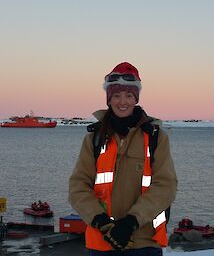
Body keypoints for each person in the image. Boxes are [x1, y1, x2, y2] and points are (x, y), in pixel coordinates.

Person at [69, 62, 177, 256]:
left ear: (136, 98)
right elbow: (78, 186)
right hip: (102, 242)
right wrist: (100, 221)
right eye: (116, 95)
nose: (122, 101)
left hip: (143, 243)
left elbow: (165, 186)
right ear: (109, 99)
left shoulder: (155, 137)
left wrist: (131, 222)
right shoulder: (94, 139)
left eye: (129, 95)